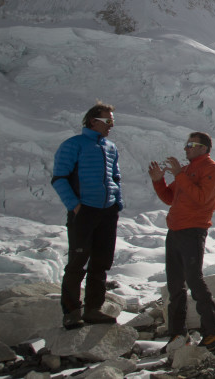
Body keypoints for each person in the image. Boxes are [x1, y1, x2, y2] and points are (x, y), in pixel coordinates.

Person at [148, 132, 215, 351]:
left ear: (204, 148)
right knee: (175, 285)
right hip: (175, 230)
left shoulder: (211, 169)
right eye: (187, 144)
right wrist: (158, 181)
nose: (186, 148)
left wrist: (180, 174)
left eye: (191, 145)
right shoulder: (188, 170)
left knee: (194, 280)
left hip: (193, 230)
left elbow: (202, 198)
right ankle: (177, 335)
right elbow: (170, 198)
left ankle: (212, 334)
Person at [51, 102, 123, 329]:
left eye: (112, 121)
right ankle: (72, 312)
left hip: (107, 211)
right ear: (93, 121)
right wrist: (75, 206)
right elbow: (59, 177)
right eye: (107, 121)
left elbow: (115, 178)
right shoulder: (74, 145)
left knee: (101, 262)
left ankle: (93, 309)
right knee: (78, 261)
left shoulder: (110, 147)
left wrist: (117, 203)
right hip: (85, 211)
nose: (111, 126)